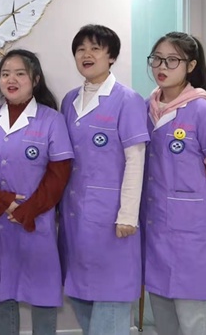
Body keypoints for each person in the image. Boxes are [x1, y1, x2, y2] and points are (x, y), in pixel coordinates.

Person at [0, 49, 73, 335]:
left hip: (37, 220)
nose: (11, 80)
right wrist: (1, 201)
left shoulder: (51, 120)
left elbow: (59, 174)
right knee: (3, 289)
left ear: (35, 79)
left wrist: (29, 209)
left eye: (19, 74)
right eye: (5, 74)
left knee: (42, 291)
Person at [58, 25, 150, 334]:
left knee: (111, 295)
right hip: (74, 215)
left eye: (95, 49)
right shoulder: (69, 100)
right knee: (80, 292)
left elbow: (135, 160)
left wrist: (128, 214)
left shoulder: (128, 100)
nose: (87, 55)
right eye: (81, 49)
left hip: (112, 218)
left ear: (111, 56)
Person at [143, 31, 206, 334]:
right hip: (156, 227)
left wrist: (199, 208)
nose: (162, 66)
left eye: (172, 60)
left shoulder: (204, 112)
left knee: (193, 320)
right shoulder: (146, 109)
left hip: (193, 230)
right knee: (164, 317)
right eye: (157, 59)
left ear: (191, 65)